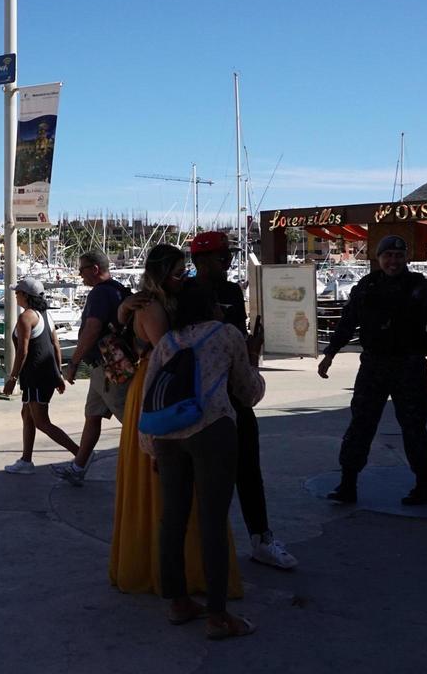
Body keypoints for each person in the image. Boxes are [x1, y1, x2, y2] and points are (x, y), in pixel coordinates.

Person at [110, 245, 242, 599]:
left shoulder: (160, 303)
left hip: (168, 387)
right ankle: (186, 582)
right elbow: (169, 354)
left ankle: (181, 585)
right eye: (178, 273)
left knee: (175, 502)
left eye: (186, 272)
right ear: (161, 274)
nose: (184, 279)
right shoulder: (152, 307)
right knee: (174, 501)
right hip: (167, 391)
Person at [141, 279, 263, 639]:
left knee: (173, 519)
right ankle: (218, 616)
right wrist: (253, 358)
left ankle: (178, 602)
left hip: (167, 436)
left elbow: (151, 393)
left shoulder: (169, 341)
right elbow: (248, 391)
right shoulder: (226, 335)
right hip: (212, 431)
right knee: (212, 521)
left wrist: (150, 447)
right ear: (211, 305)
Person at [188, 230, 297, 570]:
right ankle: (199, 551)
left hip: (233, 396)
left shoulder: (232, 291)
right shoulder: (184, 294)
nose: (228, 263)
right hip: (200, 400)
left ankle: (260, 538)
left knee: (248, 468)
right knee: (198, 479)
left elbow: (234, 342)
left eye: (229, 257)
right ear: (201, 262)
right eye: (223, 258)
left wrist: (250, 352)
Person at [318, 235, 427, 505]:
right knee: (360, 424)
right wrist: (330, 354)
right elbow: (347, 322)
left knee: (414, 427)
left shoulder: (420, 288)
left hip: (410, 366)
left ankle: (426, 484)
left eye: (398, 256)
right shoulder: (367, 286)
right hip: (373, 366)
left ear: (406, 259)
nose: (393, 261)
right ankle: (348, 483)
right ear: (378, 258)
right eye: (387, 255)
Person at [56, 251, 130, 486]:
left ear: (95, 269)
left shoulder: (100, 294)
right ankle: (78, 467)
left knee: (131, 421)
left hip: (107, 369)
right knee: (93, 416)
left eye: (82, 269)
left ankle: (150, 466)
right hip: (107, 367)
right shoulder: (118, 289)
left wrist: (74, 362)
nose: (79, 274)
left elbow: (92, 329)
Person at [0, 278, 75, 473]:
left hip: (35, 376)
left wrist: (12, 379)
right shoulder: (46, 316)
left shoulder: (27, 317)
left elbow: (23, 352)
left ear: (25, 296)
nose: (15, 295)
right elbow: (56, 345)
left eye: (18, 292)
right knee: (27, 415)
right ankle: (26, 461)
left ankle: (81, 454)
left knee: (42, 421)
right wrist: (58, 374)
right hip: (45, 374)